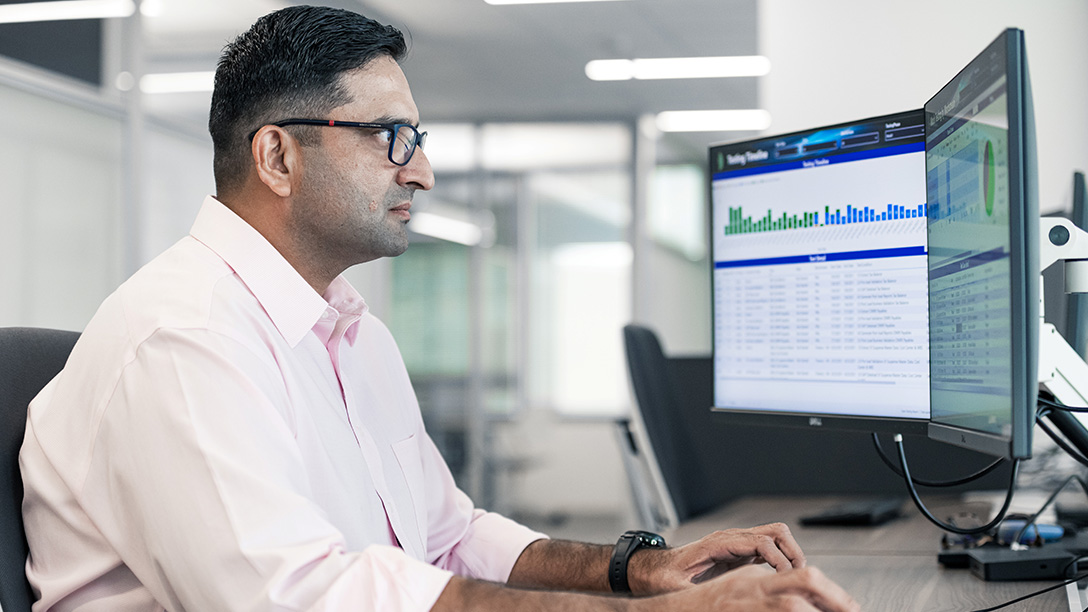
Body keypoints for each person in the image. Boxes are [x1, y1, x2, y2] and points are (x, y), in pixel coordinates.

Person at [19, 5, 859, 611]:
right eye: (392, 138)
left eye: (418, 142)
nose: (420, 172)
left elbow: (450, 536)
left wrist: (641, 572)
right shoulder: (184, 337)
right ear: (276, 155)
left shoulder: (353, 336)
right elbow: (299, 600)